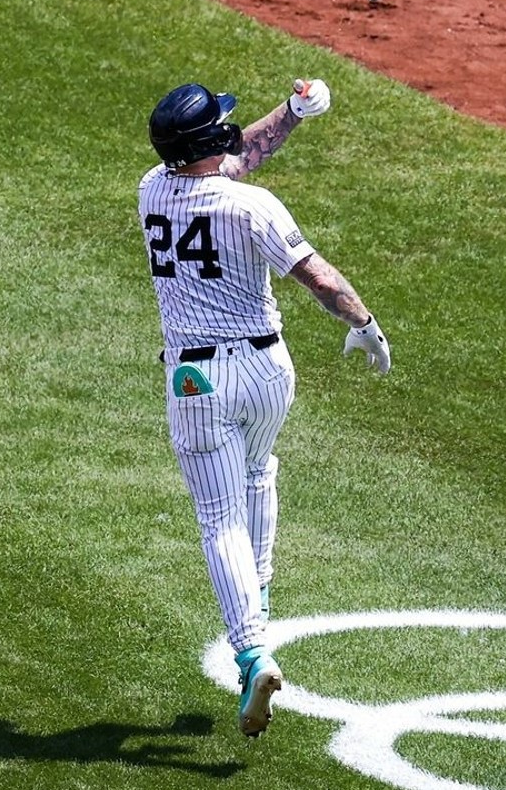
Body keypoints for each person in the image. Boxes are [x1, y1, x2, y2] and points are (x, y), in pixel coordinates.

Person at [137, 77, 390, 738]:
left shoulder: (150, 190)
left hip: (196, 377)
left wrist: (293, 114)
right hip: (267, 369)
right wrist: (362, 321)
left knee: (219, 518)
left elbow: (228, 160)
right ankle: (262, 596)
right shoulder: (255, 207)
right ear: (209, 139)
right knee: (260, 471)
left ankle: (251, 653)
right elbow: (318, 275)